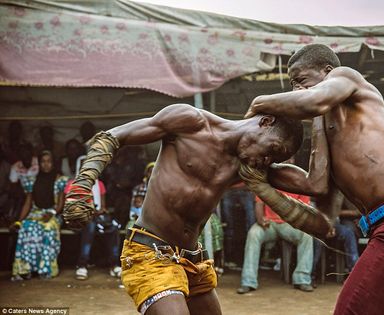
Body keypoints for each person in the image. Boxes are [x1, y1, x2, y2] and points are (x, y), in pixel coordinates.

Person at [244, 44, 384, 314]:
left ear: (327, 72)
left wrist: (258, 103)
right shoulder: (327, 131)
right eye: (292, 85)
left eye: (301, 81)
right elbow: (321, 213)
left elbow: (314, 100)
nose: (296, 91)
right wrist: (261, 181)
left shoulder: (347, 77)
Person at [62, 103, 330, 315]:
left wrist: (321, 113)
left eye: (274, 160)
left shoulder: (249, 167)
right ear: (265, 122)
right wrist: (82, 185)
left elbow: (316, 185)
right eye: (272, 149)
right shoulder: (190, 122)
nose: (266, 160)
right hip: (150, 252)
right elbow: (114, 136)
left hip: (194, 259)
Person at [237, 177, 314, 294]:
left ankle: (302, 279)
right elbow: (259, 204)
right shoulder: (268, 183)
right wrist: (260, 220)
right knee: (253, 233)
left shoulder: (300, 184)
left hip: (289, 224)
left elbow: (304, 209)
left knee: (307, 235)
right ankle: (248, 281)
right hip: (269, 224)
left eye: (288, 161)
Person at [10, 151, 67, 280]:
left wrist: (51, 213)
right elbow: (28, 203)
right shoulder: (32, 180)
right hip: (36, 212)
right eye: (43, 162)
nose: (46, 165)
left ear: (53, 163)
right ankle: (26, 269)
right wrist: (19, 221)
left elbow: (60, 205)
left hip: (53, 214)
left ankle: (45, 269)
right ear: (39, 164)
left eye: (49, 161)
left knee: (47, 228)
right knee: (26, 227)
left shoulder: (60, 180)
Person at [64, 155, 121, 281]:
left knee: (113, 227)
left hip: (96, 218)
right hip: (78, 219)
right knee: (89, 226)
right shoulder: (72, 184)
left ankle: (114, 264)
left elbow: (103, 206)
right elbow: (71, 208)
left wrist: (99, 210)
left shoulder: (99, 184)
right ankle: (82, 264)